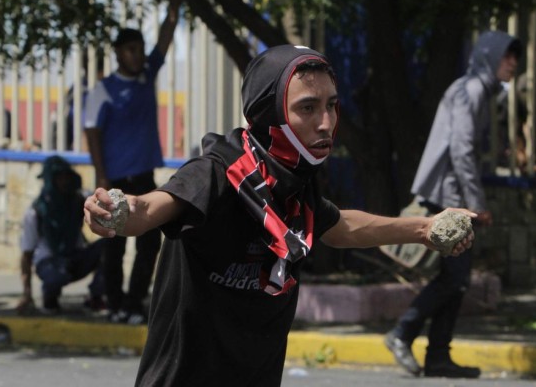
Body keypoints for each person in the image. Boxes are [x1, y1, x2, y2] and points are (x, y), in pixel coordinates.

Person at [84, 44, 475, 386]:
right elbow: (150, 208)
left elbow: (341, 227)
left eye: (332, 106)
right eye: (308, 108)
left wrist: (426, 229)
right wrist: (114, 212)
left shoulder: (295, 187)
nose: (326, 122)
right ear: (269, 113)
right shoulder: (217, 174)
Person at [384, 30, 521, 378]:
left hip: (452, 196)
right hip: (448, 199)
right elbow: (461, 151)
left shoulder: (473, 89)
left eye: (515, 57)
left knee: (454, 279)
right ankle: (403, 333)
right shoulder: (471, 90)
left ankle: (438, 356)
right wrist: (476, 205)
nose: (513, 63)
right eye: (507, 55)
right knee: (454, 279)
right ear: (490, 55)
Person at [83, 0, 181, 324]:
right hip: (114, 179)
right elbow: (92, 133)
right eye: (130, 49)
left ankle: (135, 303)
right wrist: (101, 177)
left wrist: (176, 5)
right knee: (114, 244)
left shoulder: (146, 75)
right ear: (118, 53)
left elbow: (165, 41)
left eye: (139, 49)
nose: (137, 55)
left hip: (142, 177)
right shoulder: (104, 89)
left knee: (149, 241)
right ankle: (114, 302)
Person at [18, 155, 105, 314]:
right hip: (49, 262)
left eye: (66, 177)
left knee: (109, 247)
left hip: (75, 257)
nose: (64, 183)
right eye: (58, 178)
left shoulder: (78, 201)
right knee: (56, 275)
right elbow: (27, 255)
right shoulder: (35, 212)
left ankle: (96, 296)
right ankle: (50, 300)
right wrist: (26, 293)